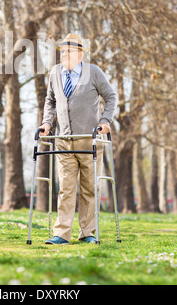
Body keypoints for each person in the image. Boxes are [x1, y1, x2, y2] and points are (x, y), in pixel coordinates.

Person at [39, 33, 117, 244]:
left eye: (69, 51)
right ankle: (61, 234)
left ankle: (87, 233)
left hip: (89, 140)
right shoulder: (55, 73)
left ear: (80, 54)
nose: (64, 55)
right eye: (62, 51)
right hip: (63, 139)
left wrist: (105, 120)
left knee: (89, 188)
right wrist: (47, 123)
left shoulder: (93, 72)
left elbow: (111, 97)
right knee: (65, 188)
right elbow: (51, 101)